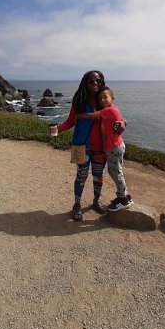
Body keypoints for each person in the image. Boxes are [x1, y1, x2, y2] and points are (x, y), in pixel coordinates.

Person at [55, 71, 126, 221]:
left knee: (98, 176)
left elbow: (116, 115)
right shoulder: (79, 99)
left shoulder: (103, 98)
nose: (95, 84)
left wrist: (123, 124)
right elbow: (71, 121)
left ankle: (96, 201)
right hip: (80, 145)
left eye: (98, 81)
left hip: (100, 147)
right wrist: (58, 129)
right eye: (91, 81)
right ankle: (77, 205)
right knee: (81, 176)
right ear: (85, 82)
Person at [76, 86, 134, 211]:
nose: (102, 100)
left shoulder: (108, 110)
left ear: (112, 98)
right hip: (115, 146)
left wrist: (79, 115)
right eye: (100, 98)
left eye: (105, 97)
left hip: (114, 147)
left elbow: (92, 116)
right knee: (116, 172)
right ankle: (126, 196)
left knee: (116, 173)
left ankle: (123, 199)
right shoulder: (113, 109)